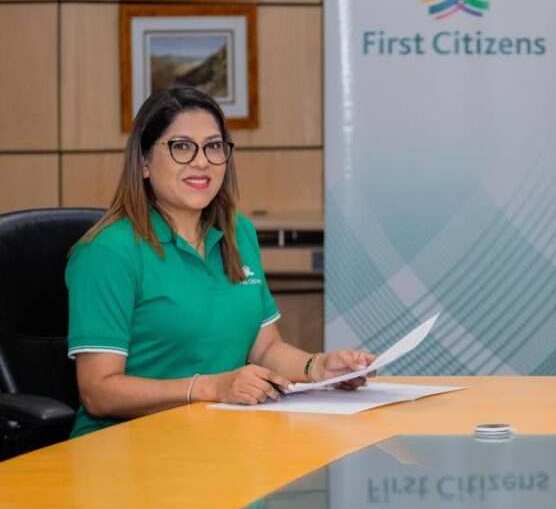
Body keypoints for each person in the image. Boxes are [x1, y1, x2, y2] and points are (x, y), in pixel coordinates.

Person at [66, 87, 376, 437]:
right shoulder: (107, 252)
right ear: (144, 163)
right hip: (126, 454)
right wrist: (211, 387)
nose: (201, 161)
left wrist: (319, 367)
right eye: (181, 146)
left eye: (213, 146)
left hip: (222, 441)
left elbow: (265, 347)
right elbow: (99, 392)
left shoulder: (237, 231)